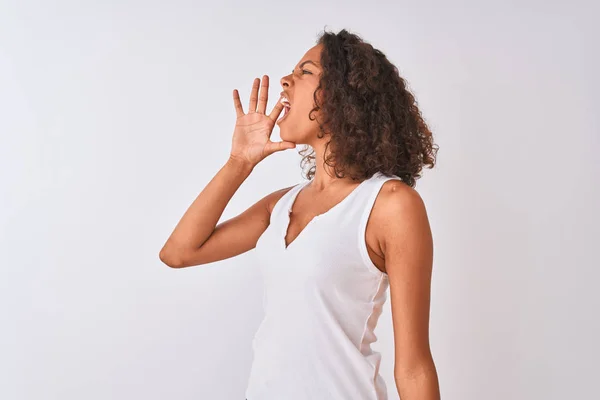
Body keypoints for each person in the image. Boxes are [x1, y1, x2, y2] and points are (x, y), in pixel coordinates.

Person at [159, 28, 440, 400]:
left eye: (305, 72)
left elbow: (413, 366)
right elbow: (179, 253)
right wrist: (239, 162)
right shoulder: (281, 205)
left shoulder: (389, 204)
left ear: (345, 95)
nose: (286, 80)